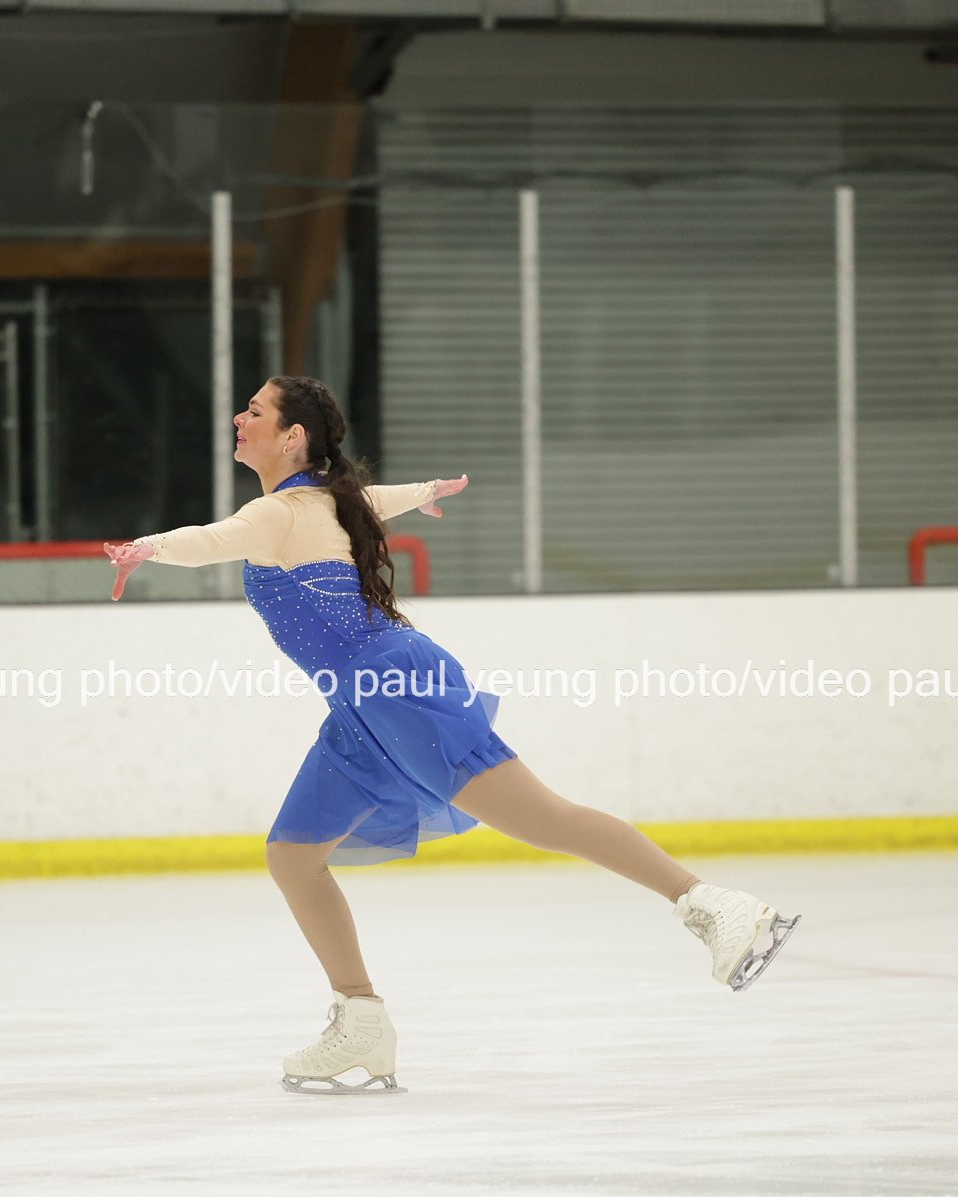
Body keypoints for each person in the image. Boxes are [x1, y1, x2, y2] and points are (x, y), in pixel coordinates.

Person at [106, 376, 798, 1095]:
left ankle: (715, 906)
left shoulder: (278, 512)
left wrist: (146, 548)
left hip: (399, 691)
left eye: (255, 410)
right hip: (360, 709)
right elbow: (374, 500)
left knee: (546, 818)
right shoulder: (327, 502)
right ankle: (361, 1019)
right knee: (293, 854)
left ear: (292, 437)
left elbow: (213, 541)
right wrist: (423, 491)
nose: (239, 417)